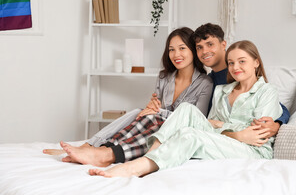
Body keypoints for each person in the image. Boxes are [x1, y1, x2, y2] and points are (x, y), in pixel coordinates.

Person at [88, 40, 282, 178]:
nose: (235, 67)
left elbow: (257, 136)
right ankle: (150, 155)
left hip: (252, 151)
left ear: (256, 62)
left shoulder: (267, 92)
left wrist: (223, 128)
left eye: (242, 61)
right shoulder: (222, 90)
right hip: (231, 141)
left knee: (191, 135)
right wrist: (234, 132)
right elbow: (211, 125)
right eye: (231, 62)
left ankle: (138, 166)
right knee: (187, 108)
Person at [44, 27, 213, 167]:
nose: (176, 54)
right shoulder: (164, 77)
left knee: (151, 118)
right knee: (139, 113)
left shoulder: (205, 83)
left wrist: (156, 112)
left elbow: (195, 120)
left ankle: (102, 152)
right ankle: (96, 148)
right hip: (154, 124)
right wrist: (152, 107)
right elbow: (156, 106)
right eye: (171, 49)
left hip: (177, 133)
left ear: (193, 50)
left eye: (182, 48)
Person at [193, 23, 289, 137]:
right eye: (199, 47)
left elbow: (278, 107)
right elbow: (207, 121)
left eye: (210, 44)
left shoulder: (244, 74)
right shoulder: (208, 83)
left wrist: (277, 124)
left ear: (223, 45)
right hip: (217, 138)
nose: (204, 51)